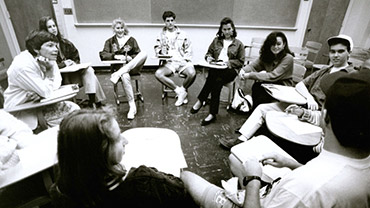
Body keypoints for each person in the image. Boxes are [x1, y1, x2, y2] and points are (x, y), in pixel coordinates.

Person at [181, 70, 370, 208]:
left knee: (186, 177)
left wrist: (253, 179)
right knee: (236, 158)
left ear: (325, 115)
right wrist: (292, 163)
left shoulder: (304, 187)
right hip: (288, 188)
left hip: (264, 200)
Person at [219, 34, 355, 149]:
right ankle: (241, 140)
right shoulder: (325, 70)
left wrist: (308, 110)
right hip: (302, 103)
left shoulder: (350, 77)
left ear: (349, 52)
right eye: (332, 51)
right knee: (262, 108)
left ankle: (262, 142)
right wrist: (309, 98)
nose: (335, 55)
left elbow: (337, 114)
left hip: (317, 115)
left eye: (340, 51)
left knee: (273, 113)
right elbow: (301, 84)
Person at [51, 108, 197, 208]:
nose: (125, 141)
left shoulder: (61, 193)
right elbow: (180, 193)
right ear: (102, 151)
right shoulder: (144, 184)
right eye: (118, 138)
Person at [4, 30, 80, 131]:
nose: (56, 49)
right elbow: (46, 92)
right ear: (36, 49)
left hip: (41, 103)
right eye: (50, 46)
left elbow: (57, 82)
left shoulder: (47, 58)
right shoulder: (23, 65)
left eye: (56, 46)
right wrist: (48, 75)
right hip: (24, 109)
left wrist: (41, 91)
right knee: (74, 119)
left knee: (75, 109)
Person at [39, 16, 106, 108]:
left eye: (54, 26)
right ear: (44, 30)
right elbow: (47, 66)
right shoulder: (44, 48)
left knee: (89, 70)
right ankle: (87, 102)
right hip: (59, 79)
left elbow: (75, 56)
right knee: (80, 76)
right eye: (49, 27)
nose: (53, 29)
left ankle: (92, 100)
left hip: (72, 75)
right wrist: (63, 64)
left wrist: (74, 63)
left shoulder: (65, 43)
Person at [190, 17, 245, 126]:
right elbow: (208, 53)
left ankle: (201, 100)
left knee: (214, 76)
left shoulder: (239, 44)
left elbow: (241, 61)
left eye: (229, 29)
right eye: (224, 29)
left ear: (233, 29)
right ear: (221, 30)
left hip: (230, 70)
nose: (227, 32)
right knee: (217, 80)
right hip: (217, 68)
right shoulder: (216, 41)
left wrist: (228, 63)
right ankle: (212, 113)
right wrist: (209, 58)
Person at [99, 18, 147, 120]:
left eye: (121, 28)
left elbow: (138, 53)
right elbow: (103, 54)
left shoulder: (131, 40)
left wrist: (131, 58)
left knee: (144, 53)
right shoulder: (110, 41)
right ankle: (132, 106)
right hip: (118, 67)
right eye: (117, 28)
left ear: (124, 28)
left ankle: (119, 73)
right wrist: (115, 56)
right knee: (125, 76)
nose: (120, 30)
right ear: (114, 29)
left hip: (133, 67)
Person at [239, 31, 294, 109]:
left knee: (261, 92)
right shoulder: (267, 55)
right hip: (270, 84)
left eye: (278, 44)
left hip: (283, 86)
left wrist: (250, 75)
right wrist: (243, 70)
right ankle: (255, 113)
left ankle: (260, 114)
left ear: (284, 45)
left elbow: (273, 76)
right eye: (272, 44)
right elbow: (254, 66)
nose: (275, 46)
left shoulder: (288, 58)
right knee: (257, 87)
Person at [154, 11, 196, 107]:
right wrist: (161, 53)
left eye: (172, 20)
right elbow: (157, 48)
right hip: (169, 63)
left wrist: (185, 60)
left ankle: (182, 92)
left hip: (182, 61)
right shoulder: (161, 35)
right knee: (158, 74)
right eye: (167, 21)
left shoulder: (183, 34)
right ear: (164, 22)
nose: (170, 23)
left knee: (192, 73)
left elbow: (189, 49)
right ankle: (180, 92)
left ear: (175, 21)